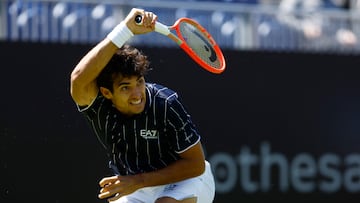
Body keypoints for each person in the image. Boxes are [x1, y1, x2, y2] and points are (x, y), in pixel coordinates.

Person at [70, 8, 215, 203]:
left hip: (187, 179)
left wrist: (138, 181)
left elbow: (196, 165)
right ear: (106, 93)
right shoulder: (99, 106)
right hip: (135, 186)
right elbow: (78, 79)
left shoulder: (166, 103)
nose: (137, 93)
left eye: (139, 82)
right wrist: (125, 29)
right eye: (125, 87)